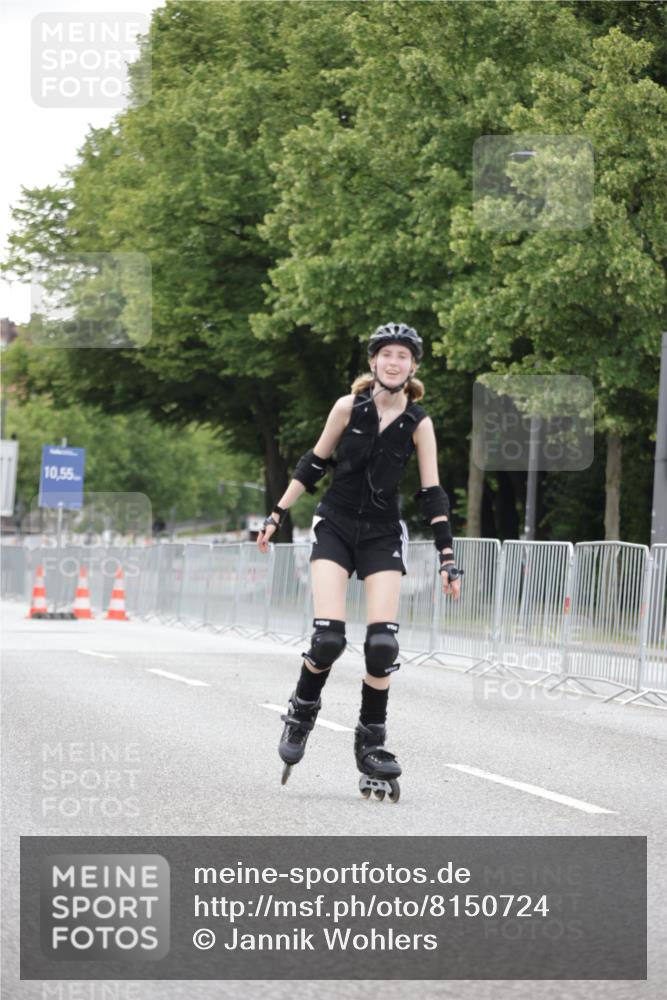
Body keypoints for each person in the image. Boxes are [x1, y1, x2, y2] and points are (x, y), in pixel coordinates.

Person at [256, 322, 463, 801]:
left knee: (382, 646)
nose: (394, 362)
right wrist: (277, 513)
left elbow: (432, 493)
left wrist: (447, 556)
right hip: (335, 526)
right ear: (373, 362)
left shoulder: (419, 423)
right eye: (386, 354)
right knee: (328, 638)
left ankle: (371, 741)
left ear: (413, 366)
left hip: (382, 534)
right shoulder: (348, 408)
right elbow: (313, 463)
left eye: (403, 356)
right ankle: (302, 710)